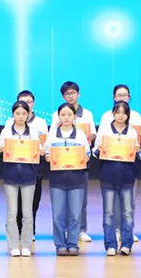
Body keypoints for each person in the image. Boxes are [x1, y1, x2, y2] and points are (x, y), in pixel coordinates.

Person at [51, 81, 95, 243]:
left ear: (78, 94)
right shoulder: (56, 115)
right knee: (60, 204)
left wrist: (91, 137)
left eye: (73, 93)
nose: (70, 96)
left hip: (80, 163)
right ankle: (63, 234)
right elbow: (51, 141)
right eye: (67, 94)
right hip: (60, 166)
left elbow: (92, 135)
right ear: (63, 96)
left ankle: (81, 230)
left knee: (80, 200)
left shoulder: (87, 114)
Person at [93, 101, 139, 256]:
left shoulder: (132, 132)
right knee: (108, 213)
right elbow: (95, 150)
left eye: (124, 113)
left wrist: (135, 151)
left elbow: (135, 154)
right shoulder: (105, 130)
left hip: (127, 177)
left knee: (127, 212)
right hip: (108, 176)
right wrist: (99, 150)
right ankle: (110, 245)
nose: (121, 116)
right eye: (118, 112)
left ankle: (126, 244)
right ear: (113, 113)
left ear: (128, 115)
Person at [44, 102, 90, 256]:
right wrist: (48, 157)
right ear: (58, 116)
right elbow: (46, 153)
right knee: (58, 215)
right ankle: (60, 244)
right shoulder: (52, 135)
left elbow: (87, 154)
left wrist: (83, 157)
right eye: (63, 115)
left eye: (69, 114)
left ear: (74, 117)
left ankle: (72, 244)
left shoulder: (80, 135)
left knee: (75, 215)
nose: (66, 117)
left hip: (77, 180)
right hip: (57, 181)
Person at [0, 100, 41, 257]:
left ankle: (27, 245)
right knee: (12, 212)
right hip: (11, 176)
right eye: (18, 113)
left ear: (28, 114)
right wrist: (0, 149)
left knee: (28, 213)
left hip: (29, 176)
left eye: (24, 113)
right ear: (13, 115)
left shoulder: (33, 132)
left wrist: (39, 151)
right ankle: (13, 245)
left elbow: (38, 150)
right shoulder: (6, 132)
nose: (21, 116)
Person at [13, 91, 47, 239]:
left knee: (33, 202)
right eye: (22, 101)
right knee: (16, 202)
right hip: (16, 168)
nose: (26, 104)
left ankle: (29, 231)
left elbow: (44, 145)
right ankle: (16, 230)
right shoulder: (9, 123)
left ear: (33, 104)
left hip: (34, 168)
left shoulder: (41, 123)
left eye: (29, 102)